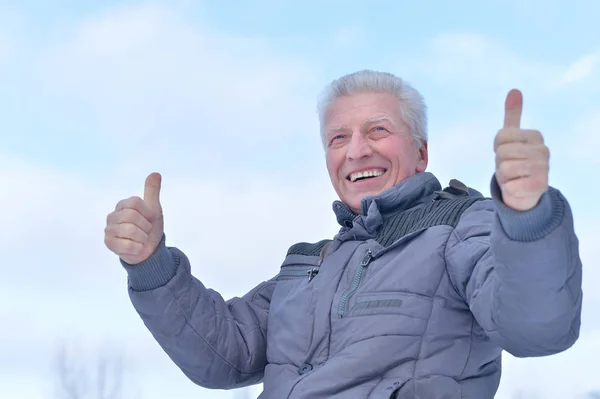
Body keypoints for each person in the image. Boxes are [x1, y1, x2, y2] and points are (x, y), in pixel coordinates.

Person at [104, 70, 583, 398]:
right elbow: (221, 355)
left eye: (377, 130)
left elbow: (537, 327)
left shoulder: (462, 226)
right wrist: (151, 265)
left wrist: (527, 218)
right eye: (338, 138)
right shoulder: (309, 267)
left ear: (420, 153)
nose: (356, 150)